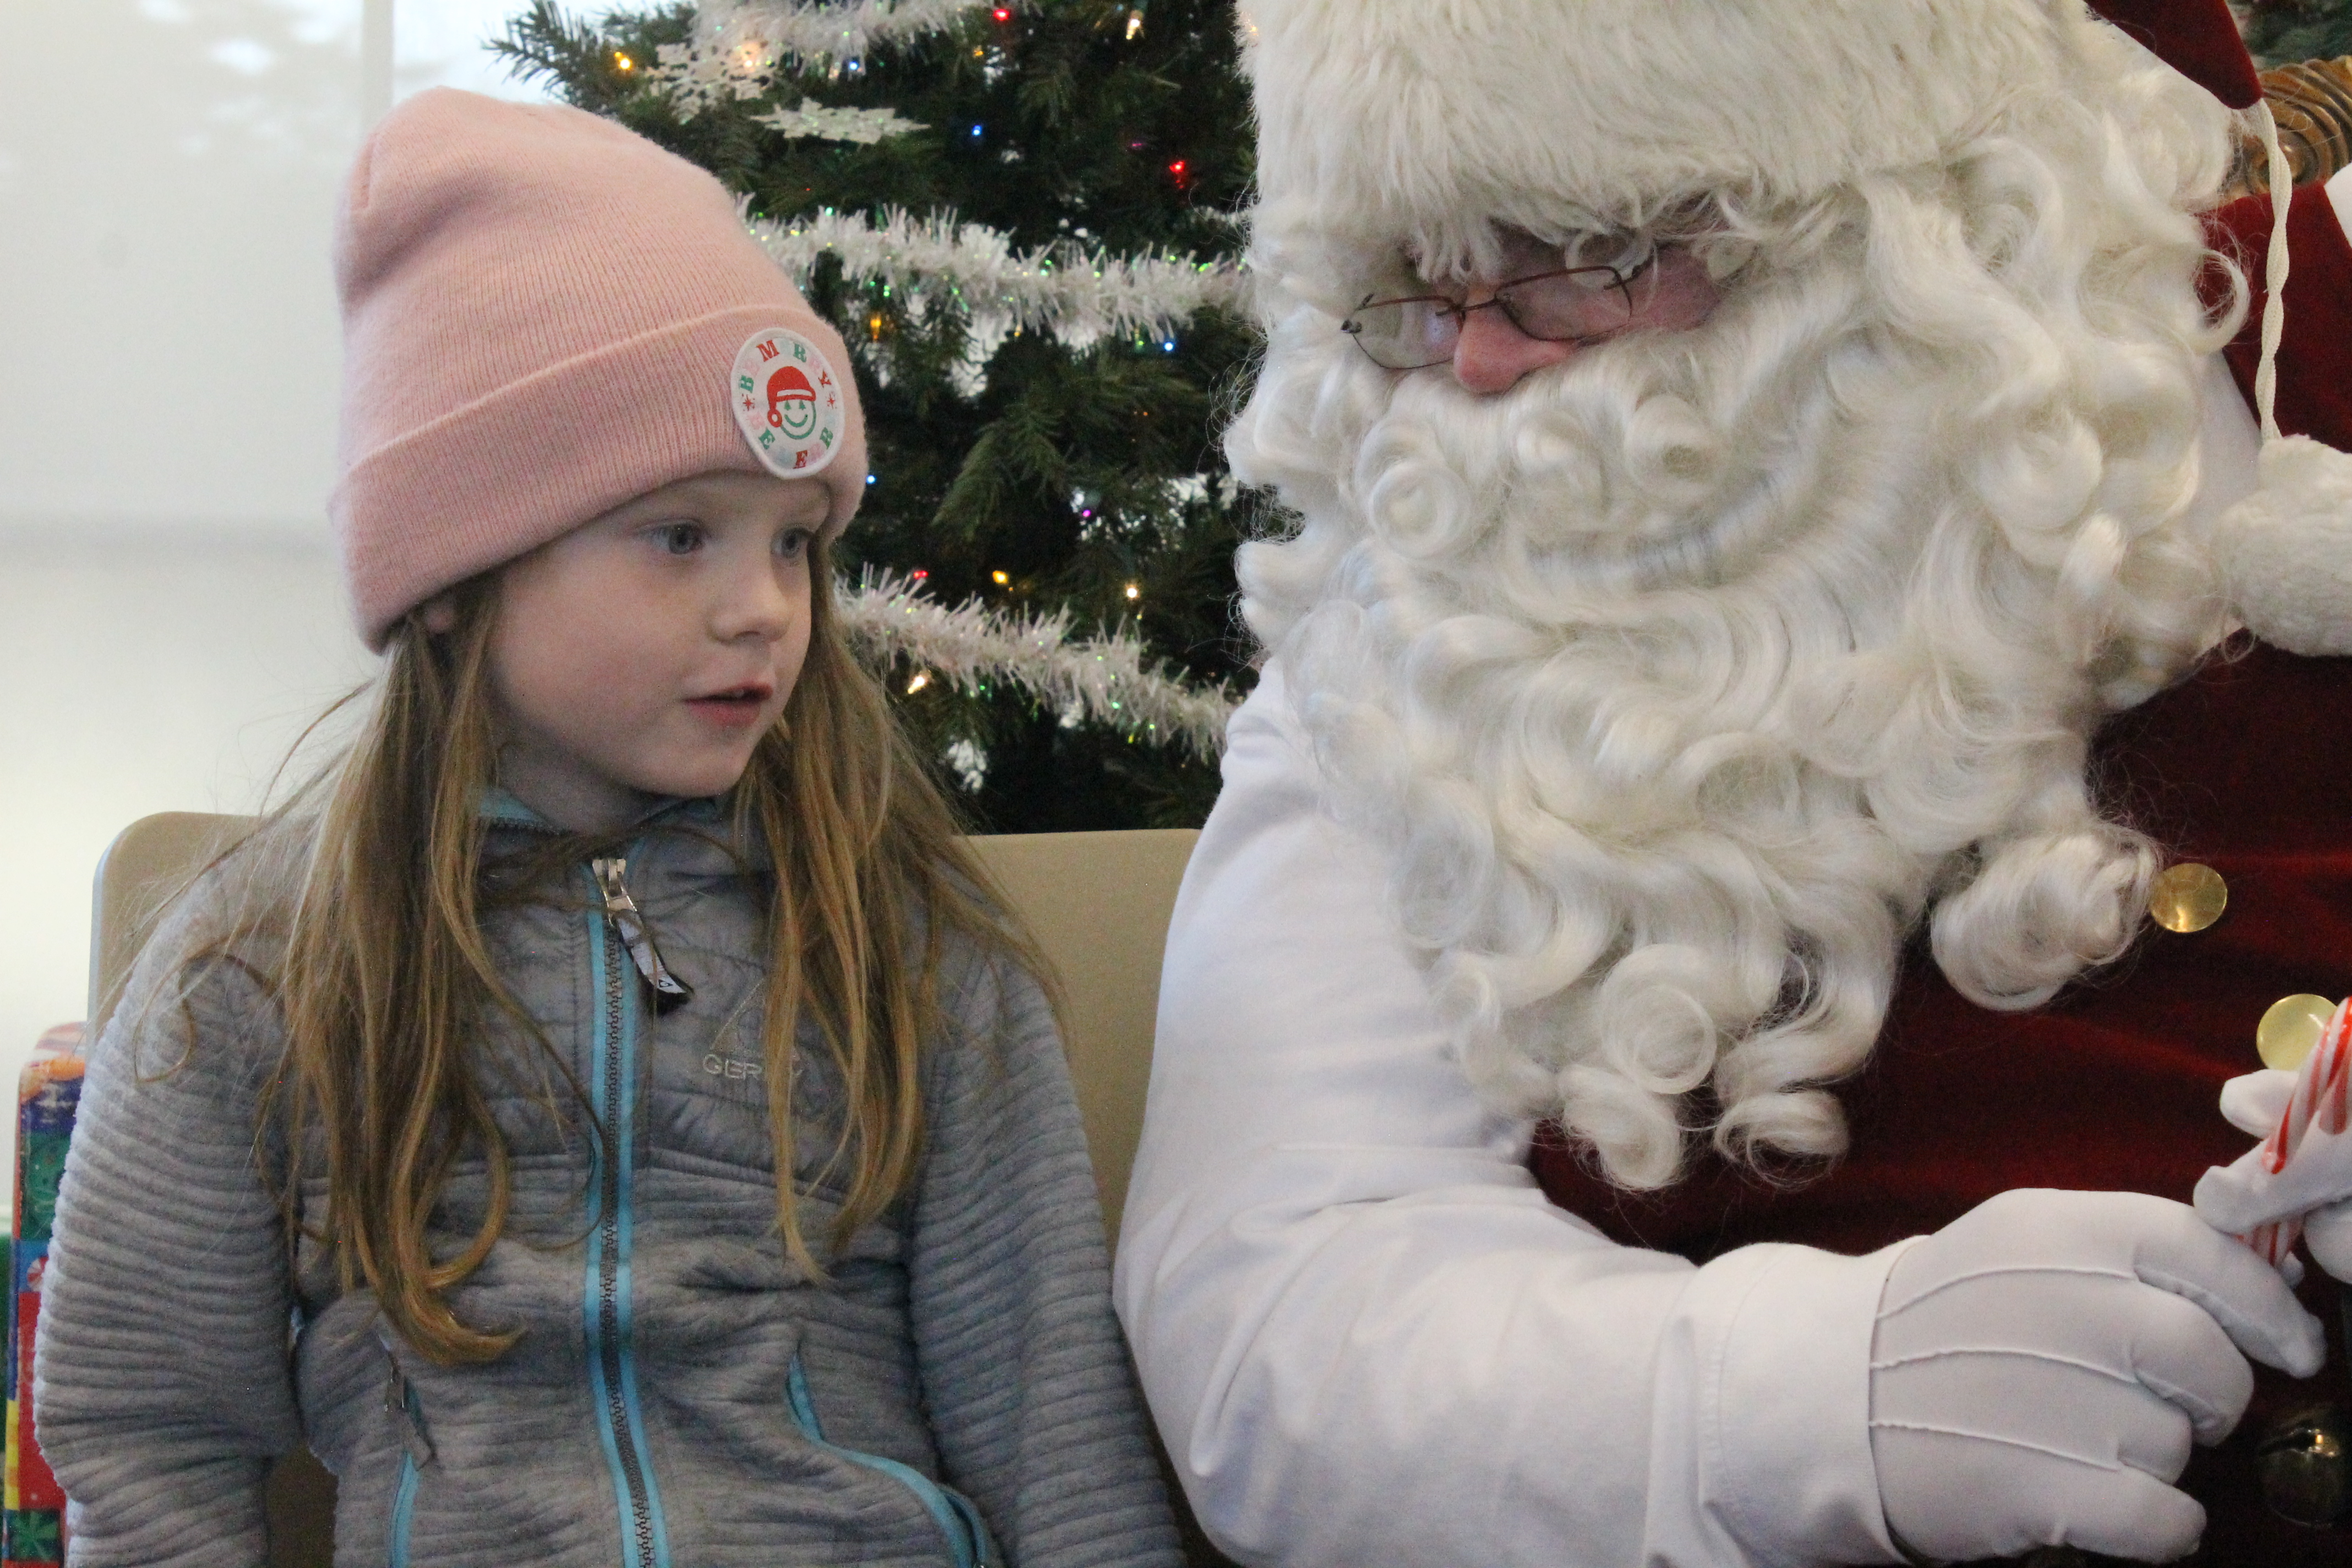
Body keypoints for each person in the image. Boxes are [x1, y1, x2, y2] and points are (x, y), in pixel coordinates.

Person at [1116, 2, 2352, 1565]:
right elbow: (1279, 1299)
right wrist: (1806, 1403)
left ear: (1924, 230)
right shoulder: (1413, 640)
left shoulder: (2303, 361)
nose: (1480, 361)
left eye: (1593, 254)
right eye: (1415, 283)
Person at [33, 89, 1180, 1568]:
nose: (762, 608)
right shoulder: (255, 966)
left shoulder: (910, 945)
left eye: (794, 542)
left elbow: (1053, 1426)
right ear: (454, 577)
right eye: (679, 535)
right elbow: (148, 1435)